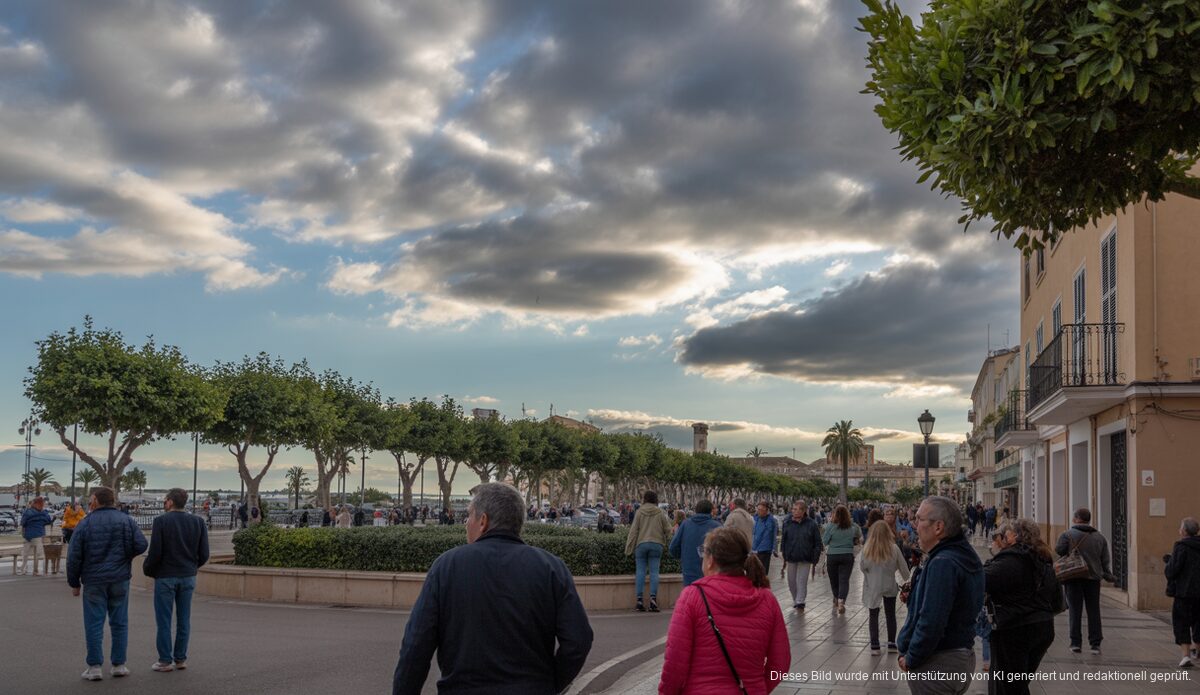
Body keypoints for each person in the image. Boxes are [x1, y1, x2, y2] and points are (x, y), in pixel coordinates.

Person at [392, 483, 592, 694]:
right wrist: (550, 683)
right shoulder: (551, 568)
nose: (466, 523)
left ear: (483, 521)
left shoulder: (447, 566)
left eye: (469, 516)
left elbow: (415, 647)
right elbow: (579, 640)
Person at [658, 527, 790, 695]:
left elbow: (675, 664)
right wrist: (758, 687)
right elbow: (781, 664)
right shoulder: (767, 599)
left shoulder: (692, 597)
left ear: (710, 560)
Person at [896, 496, 983, 694]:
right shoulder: (962, 555)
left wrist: (912, 657)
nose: (914, 525)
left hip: (939, 662)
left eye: (919, 519)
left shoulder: (943, 562)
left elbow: (932, 621)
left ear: (938, 527)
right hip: (958, 657)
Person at [67, 486, 149, 681]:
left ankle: (94, 666)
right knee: (119, 622)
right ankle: (119, 664)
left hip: (94, 580)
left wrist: (74, 583)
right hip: (119, 578)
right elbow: (141, 544)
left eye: (90, 499)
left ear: (95, 500)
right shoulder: (127, 521)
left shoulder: (85, 524)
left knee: (94, 623)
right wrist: (124, 557)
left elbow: (74, 556)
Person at [985, 519, 1060, 694]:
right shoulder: (1042, 557)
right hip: (1042, 625)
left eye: (1008, 532)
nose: (1004, 536)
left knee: (1009, 685)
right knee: (1018, 682)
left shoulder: (1013, 559)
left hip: (1016, 628)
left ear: (1015, 536)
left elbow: (982, 579)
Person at [143, 488, 210, 673]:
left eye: (165, 500)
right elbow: (204, 553)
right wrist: (191, 567)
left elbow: (155, 552)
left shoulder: (161, 522)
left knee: (164, 620)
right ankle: (180, 658)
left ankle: (165, 660)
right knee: (184, 619)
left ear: (170, 502)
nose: (165, 503)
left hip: (165, 576)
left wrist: (148, 569)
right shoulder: (198, 522)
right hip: (187, 576)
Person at [1055, 508, 1116, 654]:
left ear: (1076, 519)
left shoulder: (1067, 535)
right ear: (1088, 519)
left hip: (1073, 577)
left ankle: (1075, 643)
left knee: (1075, 611)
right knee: (1093, 610)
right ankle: (1095, 644)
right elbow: (1105, 559)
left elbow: (1059, 551)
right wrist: (1107, 574)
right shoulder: (1100, 537)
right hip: (1093, 578)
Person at [861, 520, 910, 656]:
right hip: (889, 585)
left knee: (873, 615)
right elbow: (905, 571)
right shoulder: (894, 548)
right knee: (890, 615)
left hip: (873, 587)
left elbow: (862, 567)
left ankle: (875, 645)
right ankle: (891, 643)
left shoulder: (867, 549)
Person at [624, 490, 672, 612]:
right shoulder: (660, 512)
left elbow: (633, 531)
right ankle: (653, 601)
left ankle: (639, 601)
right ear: (655, 499)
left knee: (640, 571)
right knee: (654, 572)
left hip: (641, 544)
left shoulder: (639, 512)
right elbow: (668, 530)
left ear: (644, 499)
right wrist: (670, 542)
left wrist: (628, 547)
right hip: (657, 544)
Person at [1165, 516, 1200, 669]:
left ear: (1184, 531)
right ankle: (1197, 652)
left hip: (1184, 593)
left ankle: (1185, 655)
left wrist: (1169, 562)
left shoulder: (1181, 546)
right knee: (1199, 622)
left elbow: (1172, 571)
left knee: (1181, 622)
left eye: (1180, 527)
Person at [669, 499, 722, 587]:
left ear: (696, 510)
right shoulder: (717, 526)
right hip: (711, 574)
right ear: (710, 511)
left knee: (691, 598)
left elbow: (673, 548)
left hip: (689, 573)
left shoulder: (685, 524)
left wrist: (684, 557)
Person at [822, 504, 861, 614]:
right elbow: (859, 534)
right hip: (847, 556)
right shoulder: (852, 527)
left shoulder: (831, 526)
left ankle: (836, 596)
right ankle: (841, 601)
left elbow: (824, 541)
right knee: (844, 580)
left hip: (832, 556)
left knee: (834, 580)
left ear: (835, 514)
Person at [19, 496, 53, 576]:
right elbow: (48, 521)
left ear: (34, 503)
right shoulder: (44, 513)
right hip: (38, 535)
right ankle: (37, 570)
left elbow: (23, 523)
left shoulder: (28, 512)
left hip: (27, 535)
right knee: (40, 554)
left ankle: (22, 570)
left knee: (25, 553)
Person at [752, 501, 779, 575]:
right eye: (758, 509)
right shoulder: (756, 518)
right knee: (755, 572)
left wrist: (775, 549)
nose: (759, 512)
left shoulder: (771, 521)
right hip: (756, 549)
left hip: (765, 550)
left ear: (766, 510)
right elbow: (753, 533)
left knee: (762, 572)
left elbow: (772, 535)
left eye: (761, 510)